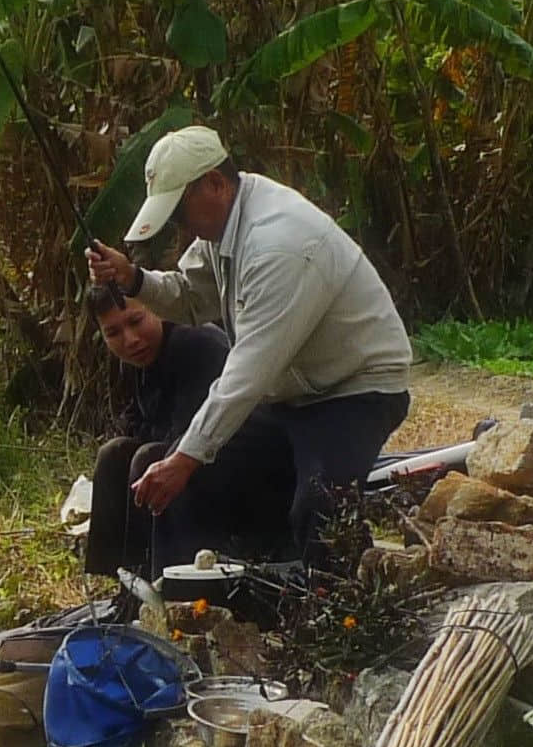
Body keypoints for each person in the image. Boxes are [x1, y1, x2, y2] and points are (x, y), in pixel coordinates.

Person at [84, 125, 413, 568]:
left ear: (215, 185)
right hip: (289, 395)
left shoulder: (279, 243)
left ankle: (339, 612)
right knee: (185, 474)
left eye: (180, 213)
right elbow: (190, 296)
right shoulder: (223, 230)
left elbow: (247, 373)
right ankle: (180, 603)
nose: (179, 227)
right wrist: (133, 279)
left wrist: (185, 457)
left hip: (353, 392)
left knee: (320, 509)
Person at [81, 282, 232, 579]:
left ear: (158, 310)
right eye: (113, 333)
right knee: (113, 453)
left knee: (148, 458)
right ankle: (120, 580)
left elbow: (195, 436)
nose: (131, 340)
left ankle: (160, 580)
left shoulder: (194, 343)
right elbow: (138, 421)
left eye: (136, 322)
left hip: (227, 460)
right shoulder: (141, 358)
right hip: (180, 454)